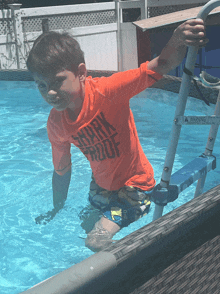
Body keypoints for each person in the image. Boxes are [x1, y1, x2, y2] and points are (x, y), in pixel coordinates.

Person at [27, 19, 208, 252]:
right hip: (102, 188)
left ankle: (148, 263)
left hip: (136, 187)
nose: (50, 92)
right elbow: (62, 171)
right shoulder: (56, 124)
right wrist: (56, 208)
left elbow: (160, 65)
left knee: (95, 240)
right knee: (86, 227)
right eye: (41, 85)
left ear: (81, 72)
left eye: (57, 81)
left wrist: (177, 38)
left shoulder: (108, 91)